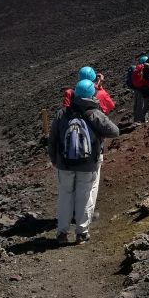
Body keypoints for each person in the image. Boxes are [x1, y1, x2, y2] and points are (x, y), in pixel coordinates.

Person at [48, 79, 119, 245]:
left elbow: (52, 139)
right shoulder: (94, 113)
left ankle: (62, 233)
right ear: (91, 94)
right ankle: (81, 233)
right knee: (84, 195)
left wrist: (54, 160)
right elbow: (115, 131)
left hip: (64, 163)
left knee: (65, 196)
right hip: (88, 164)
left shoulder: (62, 113)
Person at [130, 55, 149, 122]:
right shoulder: (143, 69)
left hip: (135, 88)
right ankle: (140, 120)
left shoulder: (136, 69)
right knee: (141, 104)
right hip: (141, 89)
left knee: (137, 103)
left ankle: (136, 119)